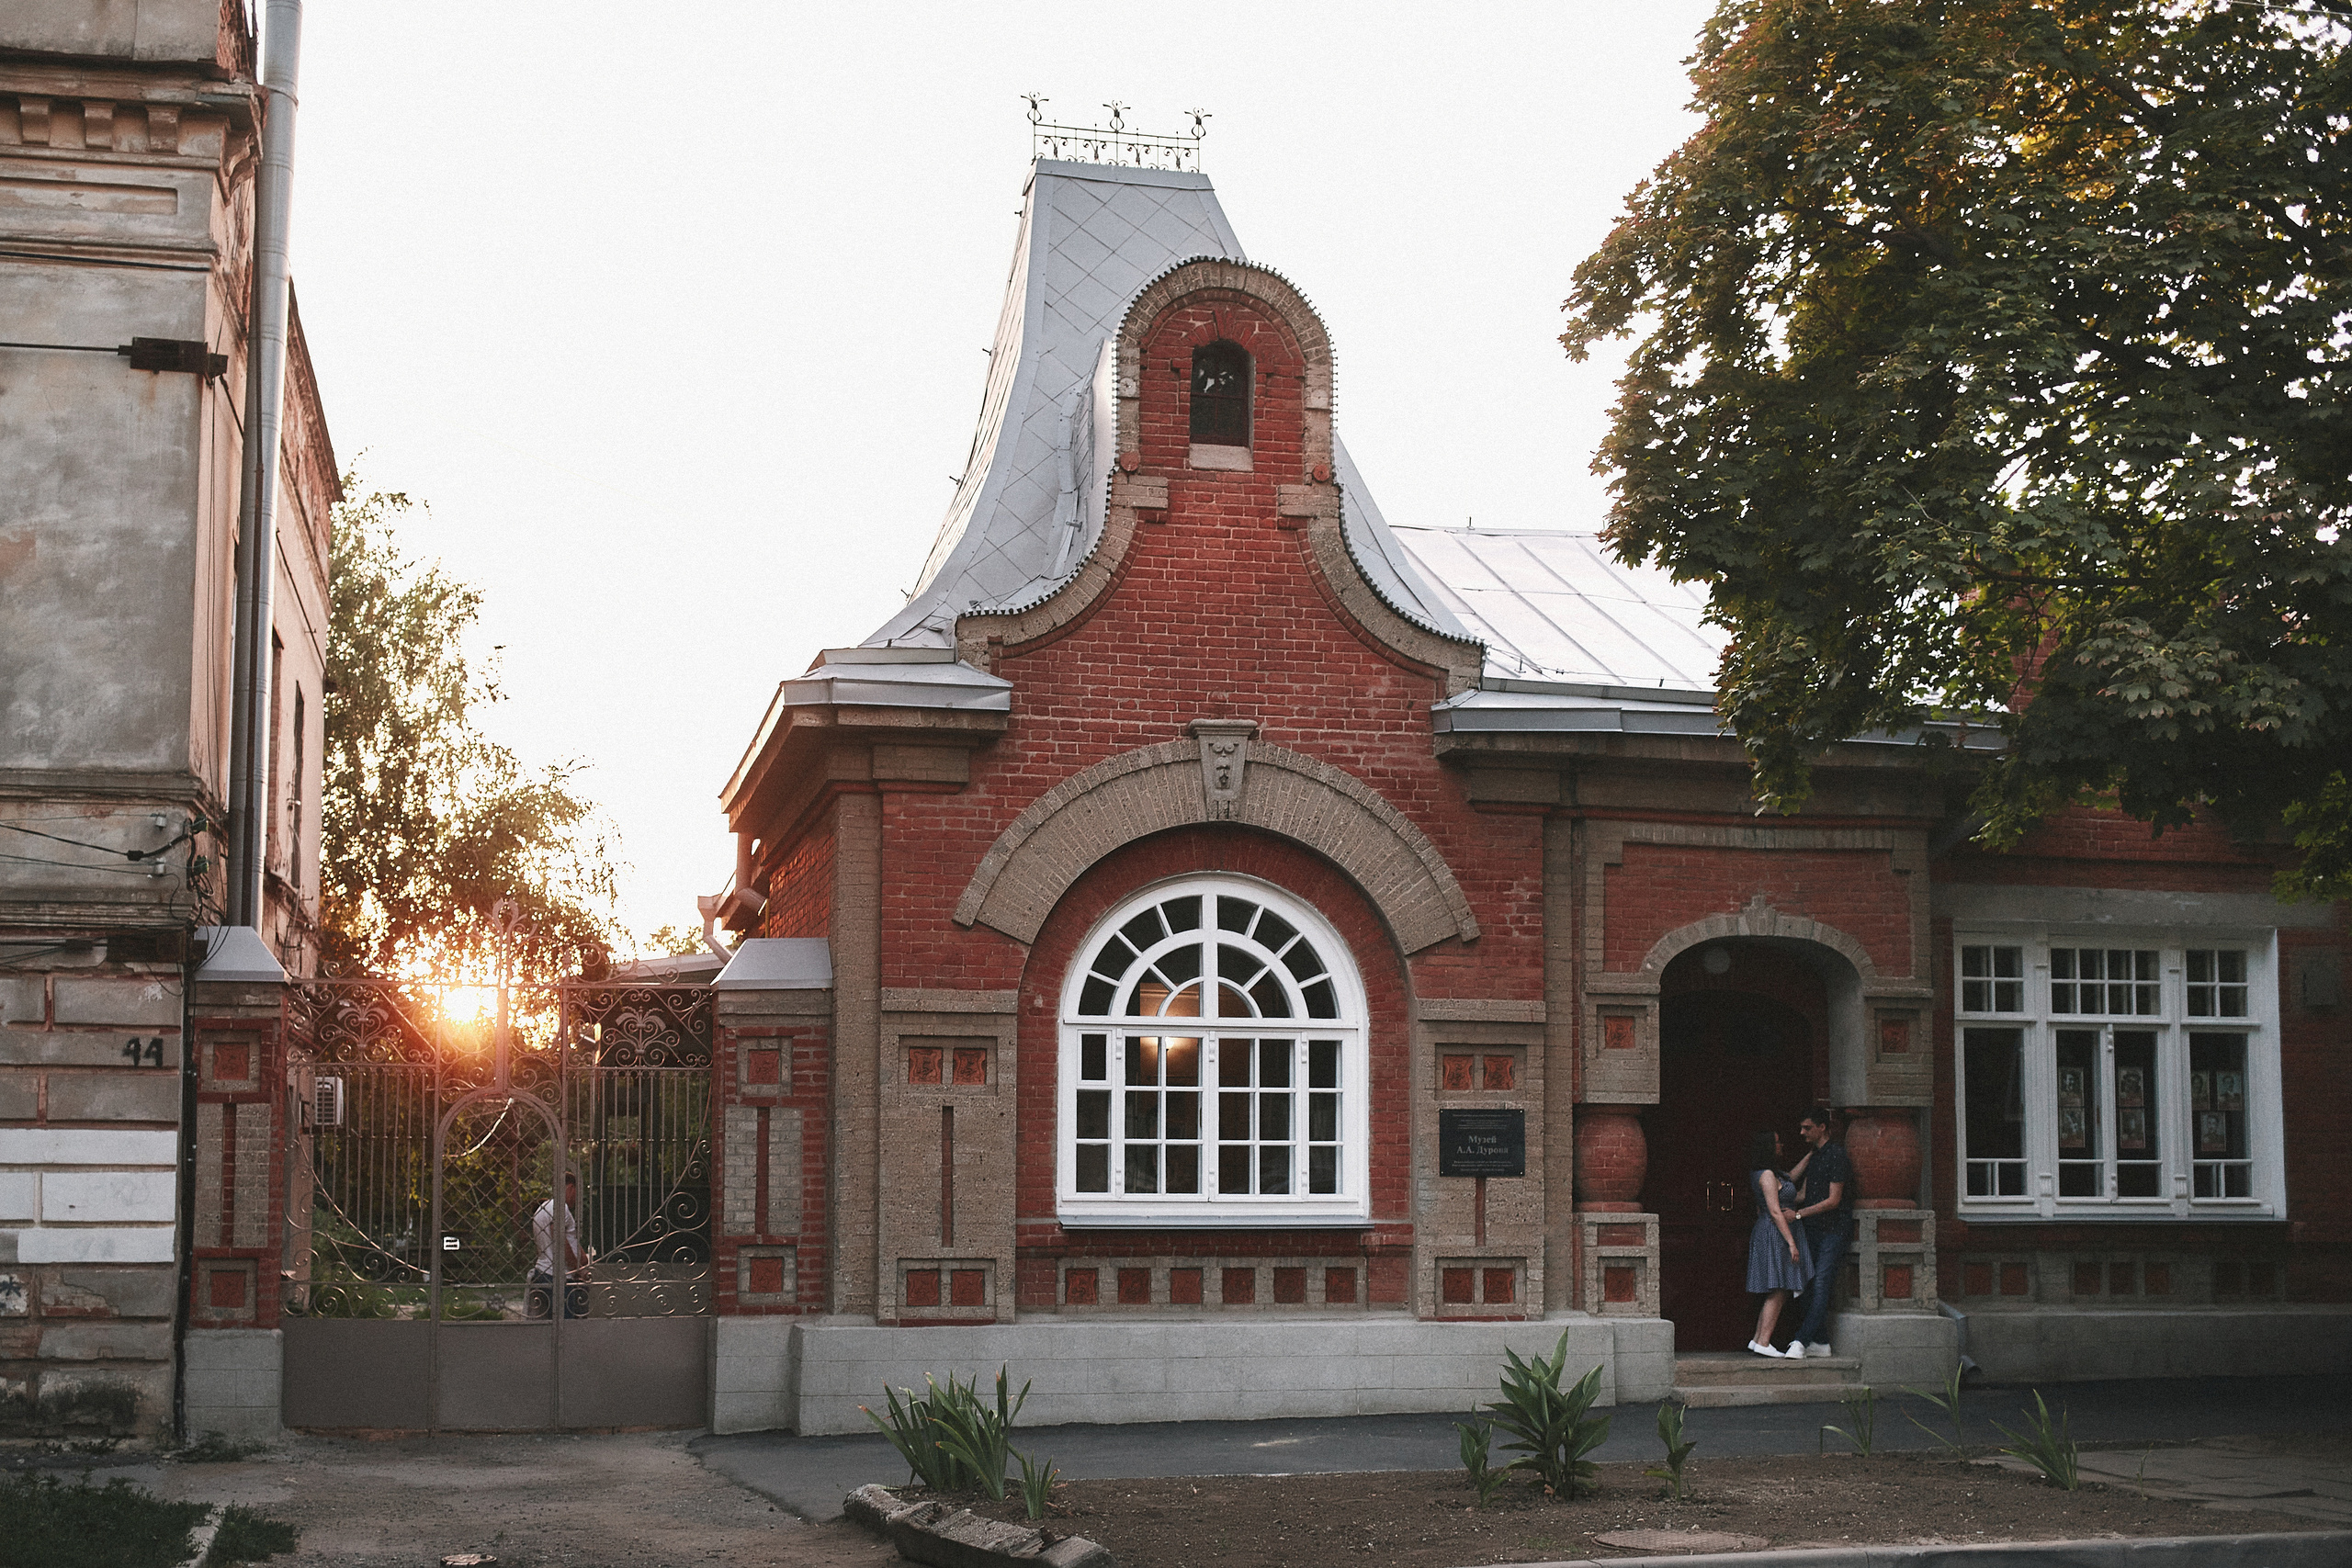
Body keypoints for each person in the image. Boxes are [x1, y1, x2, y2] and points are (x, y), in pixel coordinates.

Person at [1786, 1105, 1854, 1357]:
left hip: (1833, 1231)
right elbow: (1803, 1193)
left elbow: (1833, 1200)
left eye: (1807, 1128)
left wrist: (1799, 1214)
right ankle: (1821, 1342)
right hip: (1812, 1230)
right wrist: (1777, 1206)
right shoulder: (1815, 1156)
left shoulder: (1837, 1155)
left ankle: (1801, 1341)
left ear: (1822, 1127)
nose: (1802, 1132)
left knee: (1823, 1282)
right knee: (1808, 1283)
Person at [1744, 1129, 1811, 1357]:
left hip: (1773, 1231)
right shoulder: (1766, 1176)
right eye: (1777, 1142)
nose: (1781, 1145)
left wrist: (1811, 1156)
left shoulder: (1776, 1174)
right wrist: (1792, 1243)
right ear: (1768, 1148)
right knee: (1780, 1288)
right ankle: (1764, 1340)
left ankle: (1757, 1339)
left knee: (1778, 1287)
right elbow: (1774, 1210)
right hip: (1775, 1233)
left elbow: (1793, 1181)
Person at [529, 1170, 590, 1320]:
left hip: (542, 1272)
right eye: (577, 1192)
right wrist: (577, 1270)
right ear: (570, 1188)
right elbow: (560, 1241)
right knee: (566, 1327)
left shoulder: (542, 1209)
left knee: (549, 1326)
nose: (577, 1198)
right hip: (558, 1277)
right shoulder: (561, 1208)